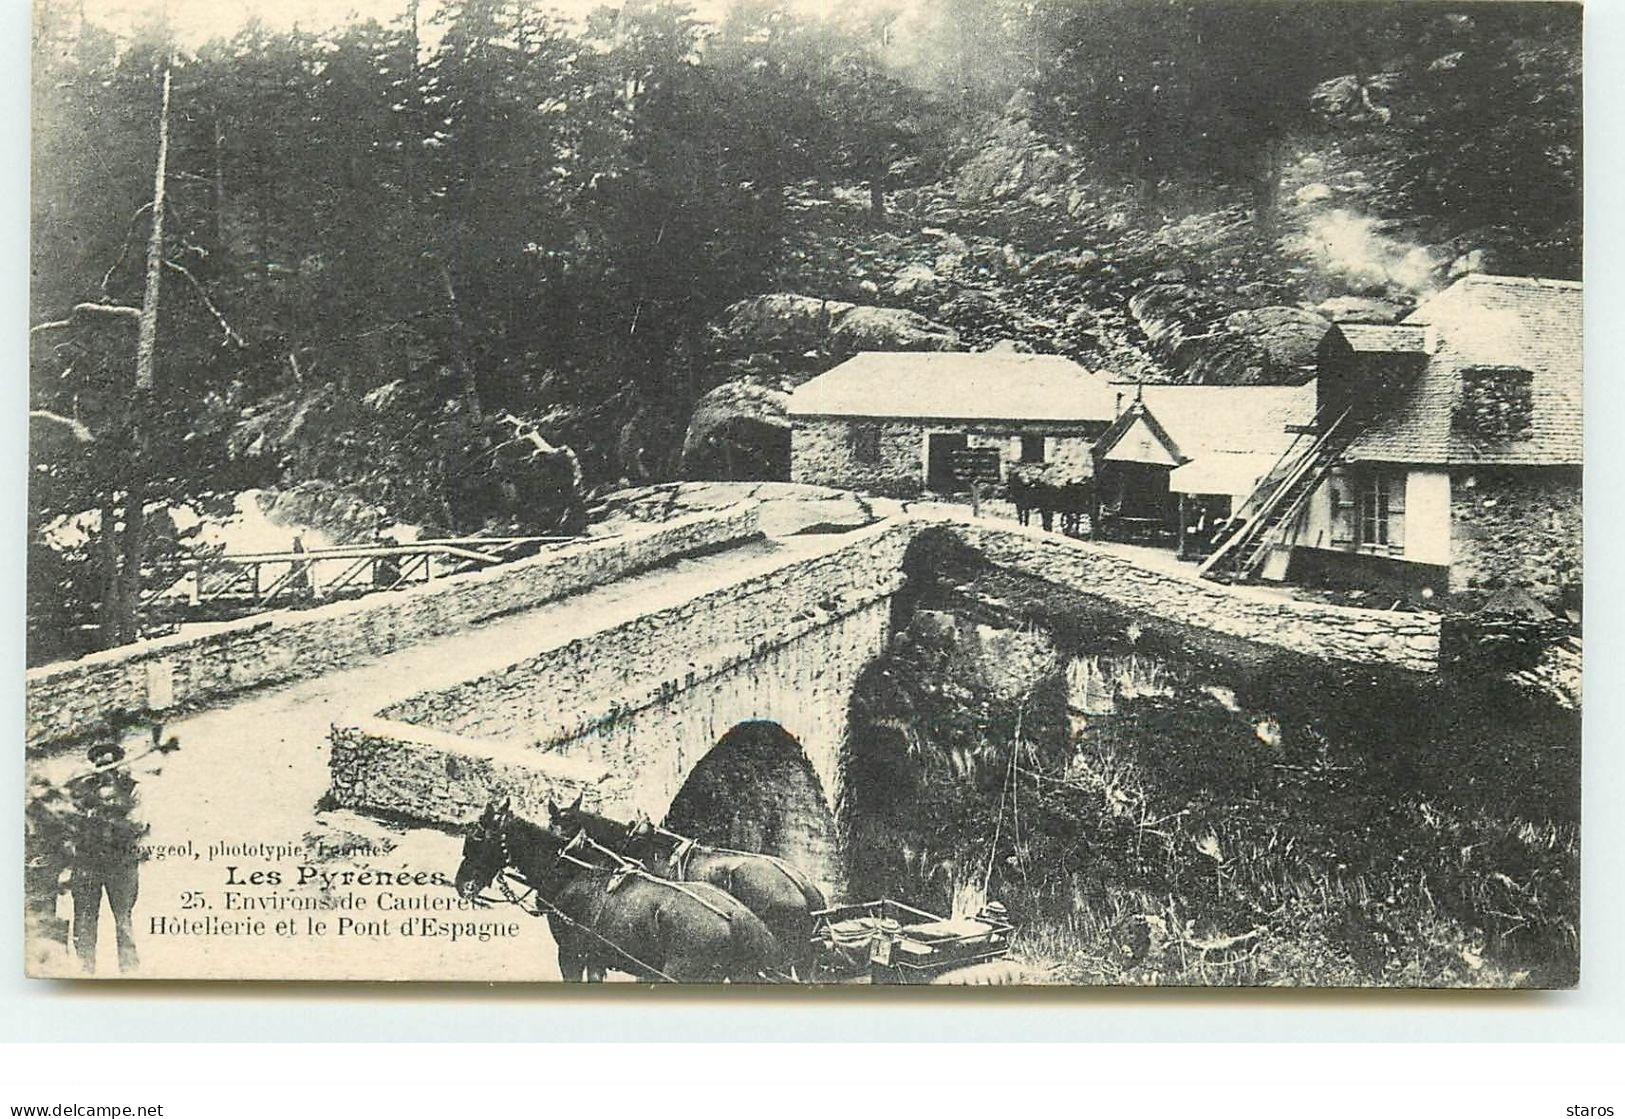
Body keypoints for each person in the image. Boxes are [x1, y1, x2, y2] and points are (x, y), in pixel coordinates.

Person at [66, 738, 146, 974]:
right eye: (99, 762)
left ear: (119, 763)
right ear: (93, 764)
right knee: (84, 919)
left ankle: (130, 972)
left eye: (110, 761)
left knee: (123, 920)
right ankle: (84, 972)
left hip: (120, 863)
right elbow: (69, 825)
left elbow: (139, 823)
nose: (105, 768)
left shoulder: (132, 788)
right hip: (87, 863)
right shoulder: (82, 790)